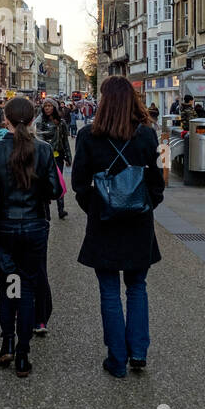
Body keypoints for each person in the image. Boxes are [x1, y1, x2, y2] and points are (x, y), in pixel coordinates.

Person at [72, 75, 165, 378]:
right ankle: (138, 352)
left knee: (110, 292)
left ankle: (117, 359)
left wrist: (98, 208)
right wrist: (145, 204)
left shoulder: (88, 136)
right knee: (137, 288)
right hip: (139, 223)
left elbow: (78, 184)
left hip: (105, 224)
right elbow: (158, 182)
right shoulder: (149, 136)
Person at [0, 96, 61, 377]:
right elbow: (54, 190)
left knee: (8, 286)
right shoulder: (44, 149)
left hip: (6, 229)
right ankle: (23, 355)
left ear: (7, 119)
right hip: (35, 228)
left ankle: (8, 343)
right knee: (27, 288)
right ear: (33, 118)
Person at [35, 99, 71, 221]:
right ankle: (46, 212)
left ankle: (61, 209)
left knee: (59, 181)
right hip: (46, 157)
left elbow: (65, 140)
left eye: (50, 106)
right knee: (46, 183)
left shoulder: (61, 122)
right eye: (45, 106)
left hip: (59, 156)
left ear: (54, 107)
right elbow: (40, 141)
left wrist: (68, 157)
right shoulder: (41, 122)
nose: (47, 108)